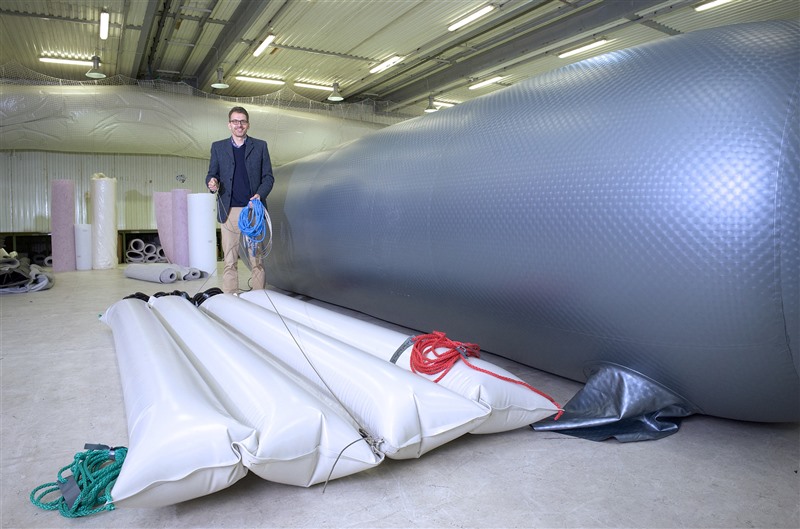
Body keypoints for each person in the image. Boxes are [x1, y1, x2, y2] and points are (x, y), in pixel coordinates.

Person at [206, 106, 274, 293]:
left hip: (253, 209)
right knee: (229, 260)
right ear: (229, 125)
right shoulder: (218, 147)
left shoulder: (260, 146)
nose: (239, 125)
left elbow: (268, 177)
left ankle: (259, 296)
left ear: (248, 124)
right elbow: (212, 174)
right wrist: (212, 183)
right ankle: (230, 298)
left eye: (243, 121)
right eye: (235, 121)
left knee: (256, 258)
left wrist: (259, 195)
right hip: (229, 210)